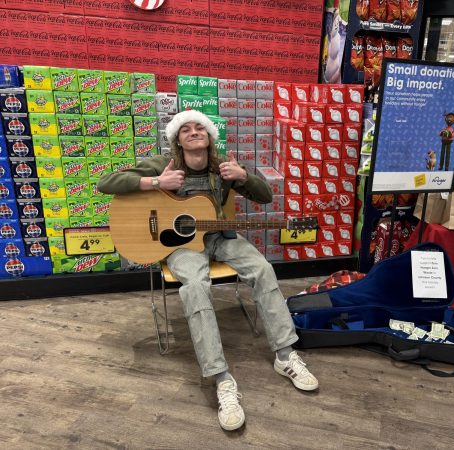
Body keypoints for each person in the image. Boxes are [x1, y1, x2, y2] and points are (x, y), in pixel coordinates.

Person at [98, 110, 318, 431]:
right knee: (196, 286)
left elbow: (267, 197)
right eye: (185, 129)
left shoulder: (223, 166)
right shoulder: (164, 164)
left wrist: (243, 177)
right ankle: (221, 378)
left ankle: (285, 355)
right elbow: (107, 182)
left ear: (210, 135)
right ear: (177, 139)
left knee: (262, 268)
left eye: (199, 126)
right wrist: (157, 182)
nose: (193, 132)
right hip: (182, 246)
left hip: (220, 237)